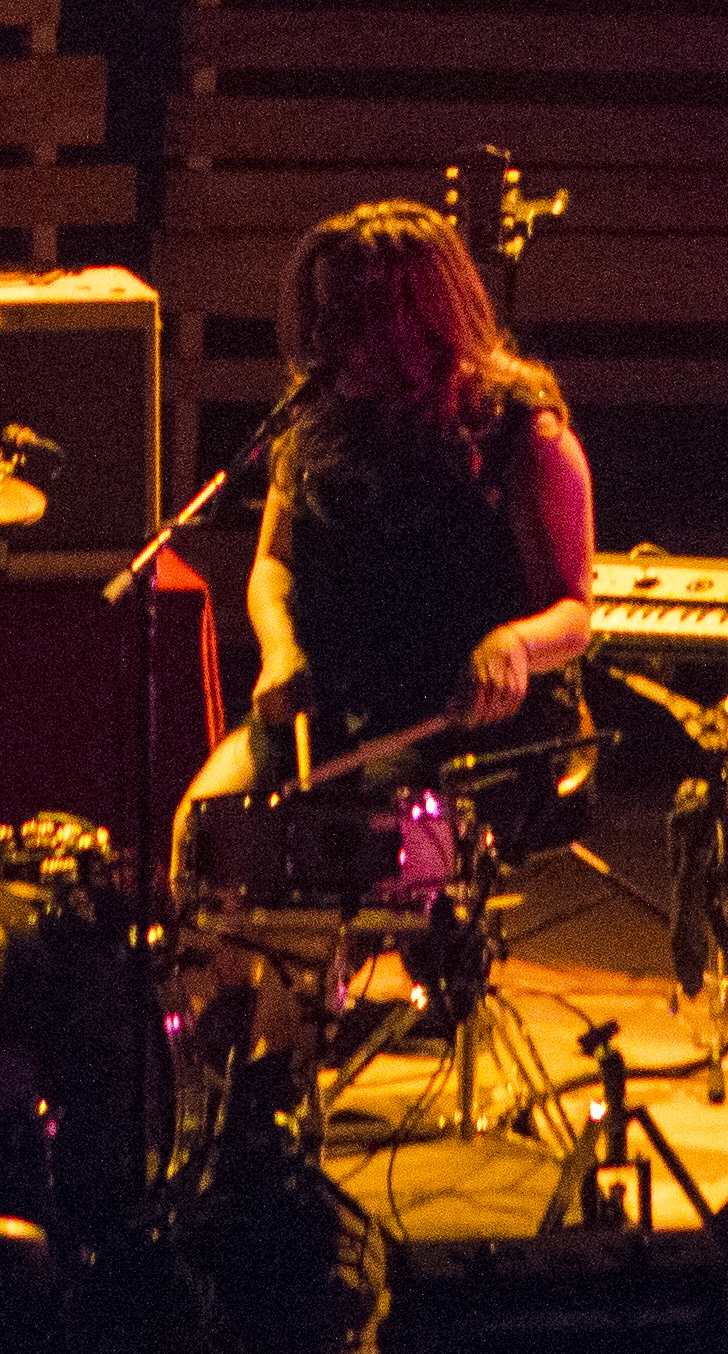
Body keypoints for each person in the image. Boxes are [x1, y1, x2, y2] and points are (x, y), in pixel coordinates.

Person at [172, 202, 597, 878]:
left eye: (345, 320)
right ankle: (230, 984)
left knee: (369, 842)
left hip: (463, 721)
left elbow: (575, 611)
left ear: (415, 323)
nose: (323, 339)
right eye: (318, 318)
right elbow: (274, 565)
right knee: (204, 831)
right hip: (332, 704)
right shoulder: (316, 421)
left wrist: (513, 644)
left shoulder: (527, 440)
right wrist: (280, 650)